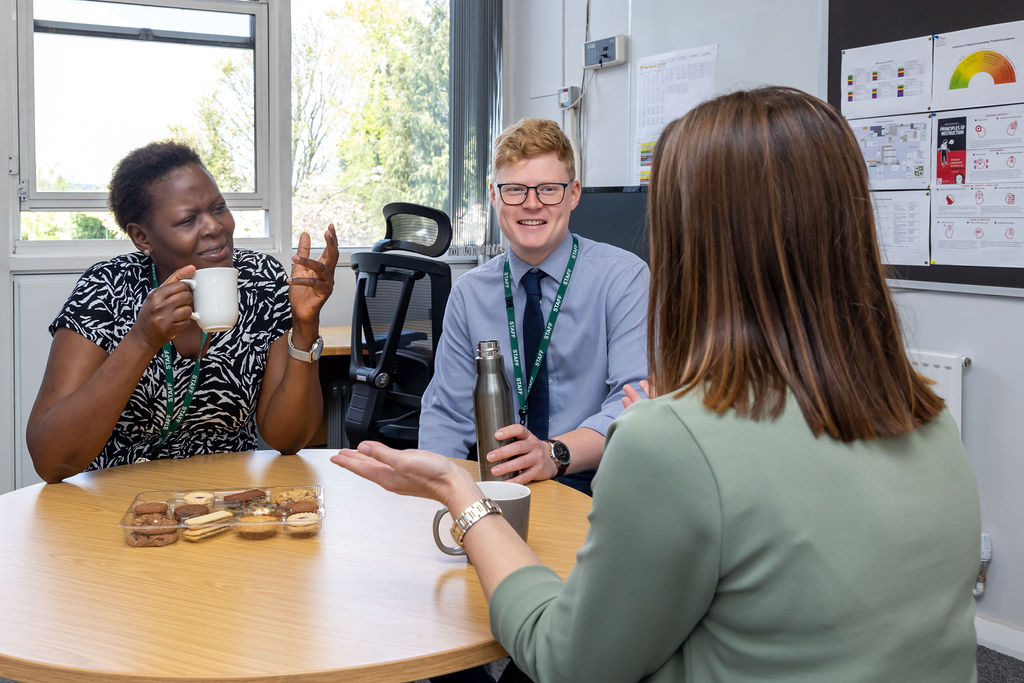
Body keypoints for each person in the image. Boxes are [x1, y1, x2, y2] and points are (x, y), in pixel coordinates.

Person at [332, 87, 981, 682]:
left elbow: (565, 658)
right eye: (515, 189)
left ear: (694, 243)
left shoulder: (671, 439)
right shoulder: (933, 421)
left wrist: (459, 494)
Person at [27, 141, 339, 483]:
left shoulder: (261, 279)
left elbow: (288, 439)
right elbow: (50, 460)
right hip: (120, 502)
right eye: (188, 220)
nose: (214, 227)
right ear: (142, 237)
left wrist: (305, 325)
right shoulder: (107, 289)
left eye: (218, 207)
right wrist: (142, 340)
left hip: (227, 499)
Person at [418, 118, 649, 496]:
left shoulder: (623, 279)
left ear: (573, 194)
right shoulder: (469, 294)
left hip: (599, 484)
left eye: (548, 190)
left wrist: (554, 453)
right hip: (500, 485)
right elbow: (447, 415)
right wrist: (433, 495)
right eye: (515, 190)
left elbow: (635, 403)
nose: (532, 204)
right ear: (494, 196)